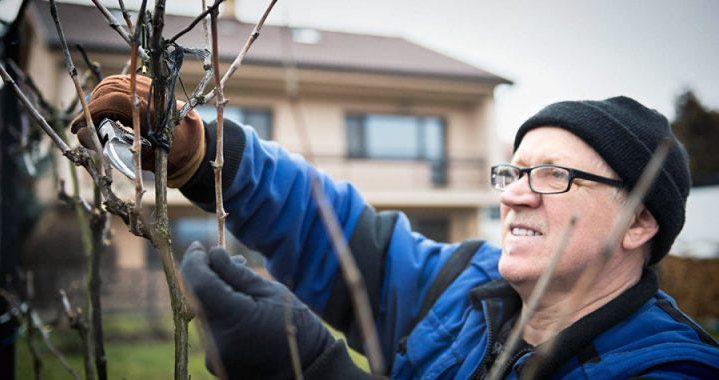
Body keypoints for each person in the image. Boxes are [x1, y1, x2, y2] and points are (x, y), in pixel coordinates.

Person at [72, 75, 719, 379]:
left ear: (639, 222)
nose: (517, 197)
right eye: (513, 173)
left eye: (553, 176)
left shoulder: (672, 373)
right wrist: (204, 152)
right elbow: (336, 231)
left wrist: (318, 373)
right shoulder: (465, 288)